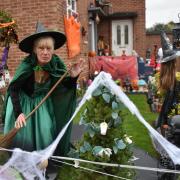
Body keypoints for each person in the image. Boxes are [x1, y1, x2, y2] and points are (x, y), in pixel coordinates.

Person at [2, 22, 83, 156]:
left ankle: (45, 160)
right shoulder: (27, 65)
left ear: (53, 49)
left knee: (46, 130)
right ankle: (21, 161)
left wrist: (73, 78)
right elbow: (13, 89)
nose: (45, 52)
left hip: (41, 102)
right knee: (23, 136)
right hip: (23, 102)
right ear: (34, 49)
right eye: (41, 48)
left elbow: (63, 86)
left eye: (49, 48)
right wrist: (19, 113)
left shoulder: (56, 63)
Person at [156, 31, 180, 133]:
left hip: (166, 122)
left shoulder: (166, 80)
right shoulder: (175, 83)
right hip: (172, 123)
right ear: (173, 63)